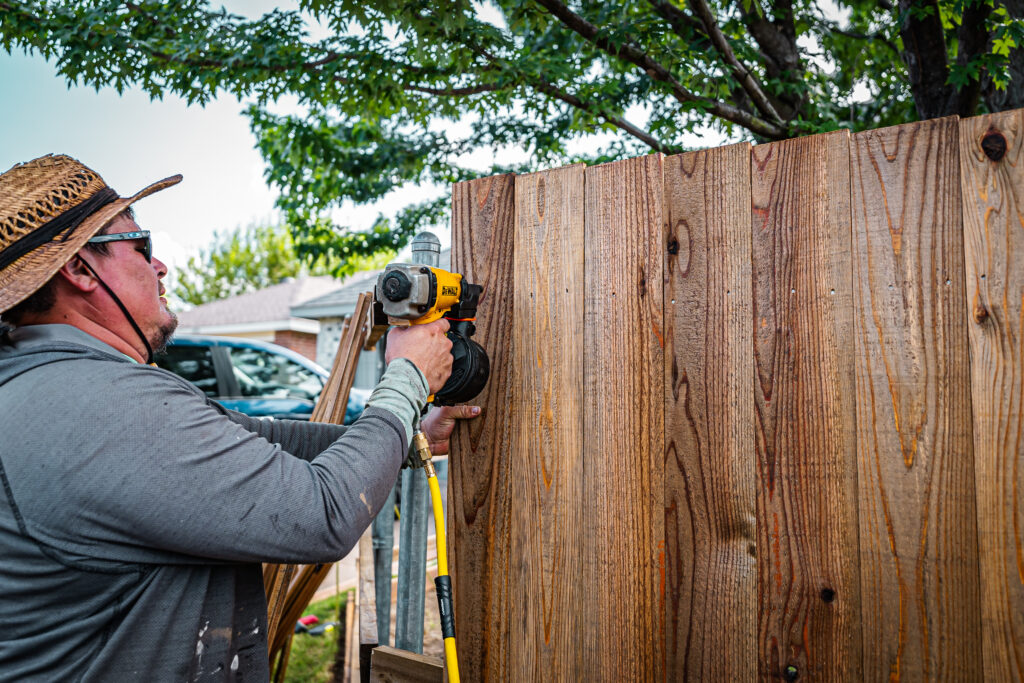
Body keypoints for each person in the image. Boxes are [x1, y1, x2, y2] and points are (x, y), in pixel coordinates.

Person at [0, 154, 478, 681]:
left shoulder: (56, 387)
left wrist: (408, 441)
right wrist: (408, 376)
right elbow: (321, 515)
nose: (160, 266)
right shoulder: (92, 406)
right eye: (141, 246)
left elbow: (260, 437)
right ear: (80, 268)